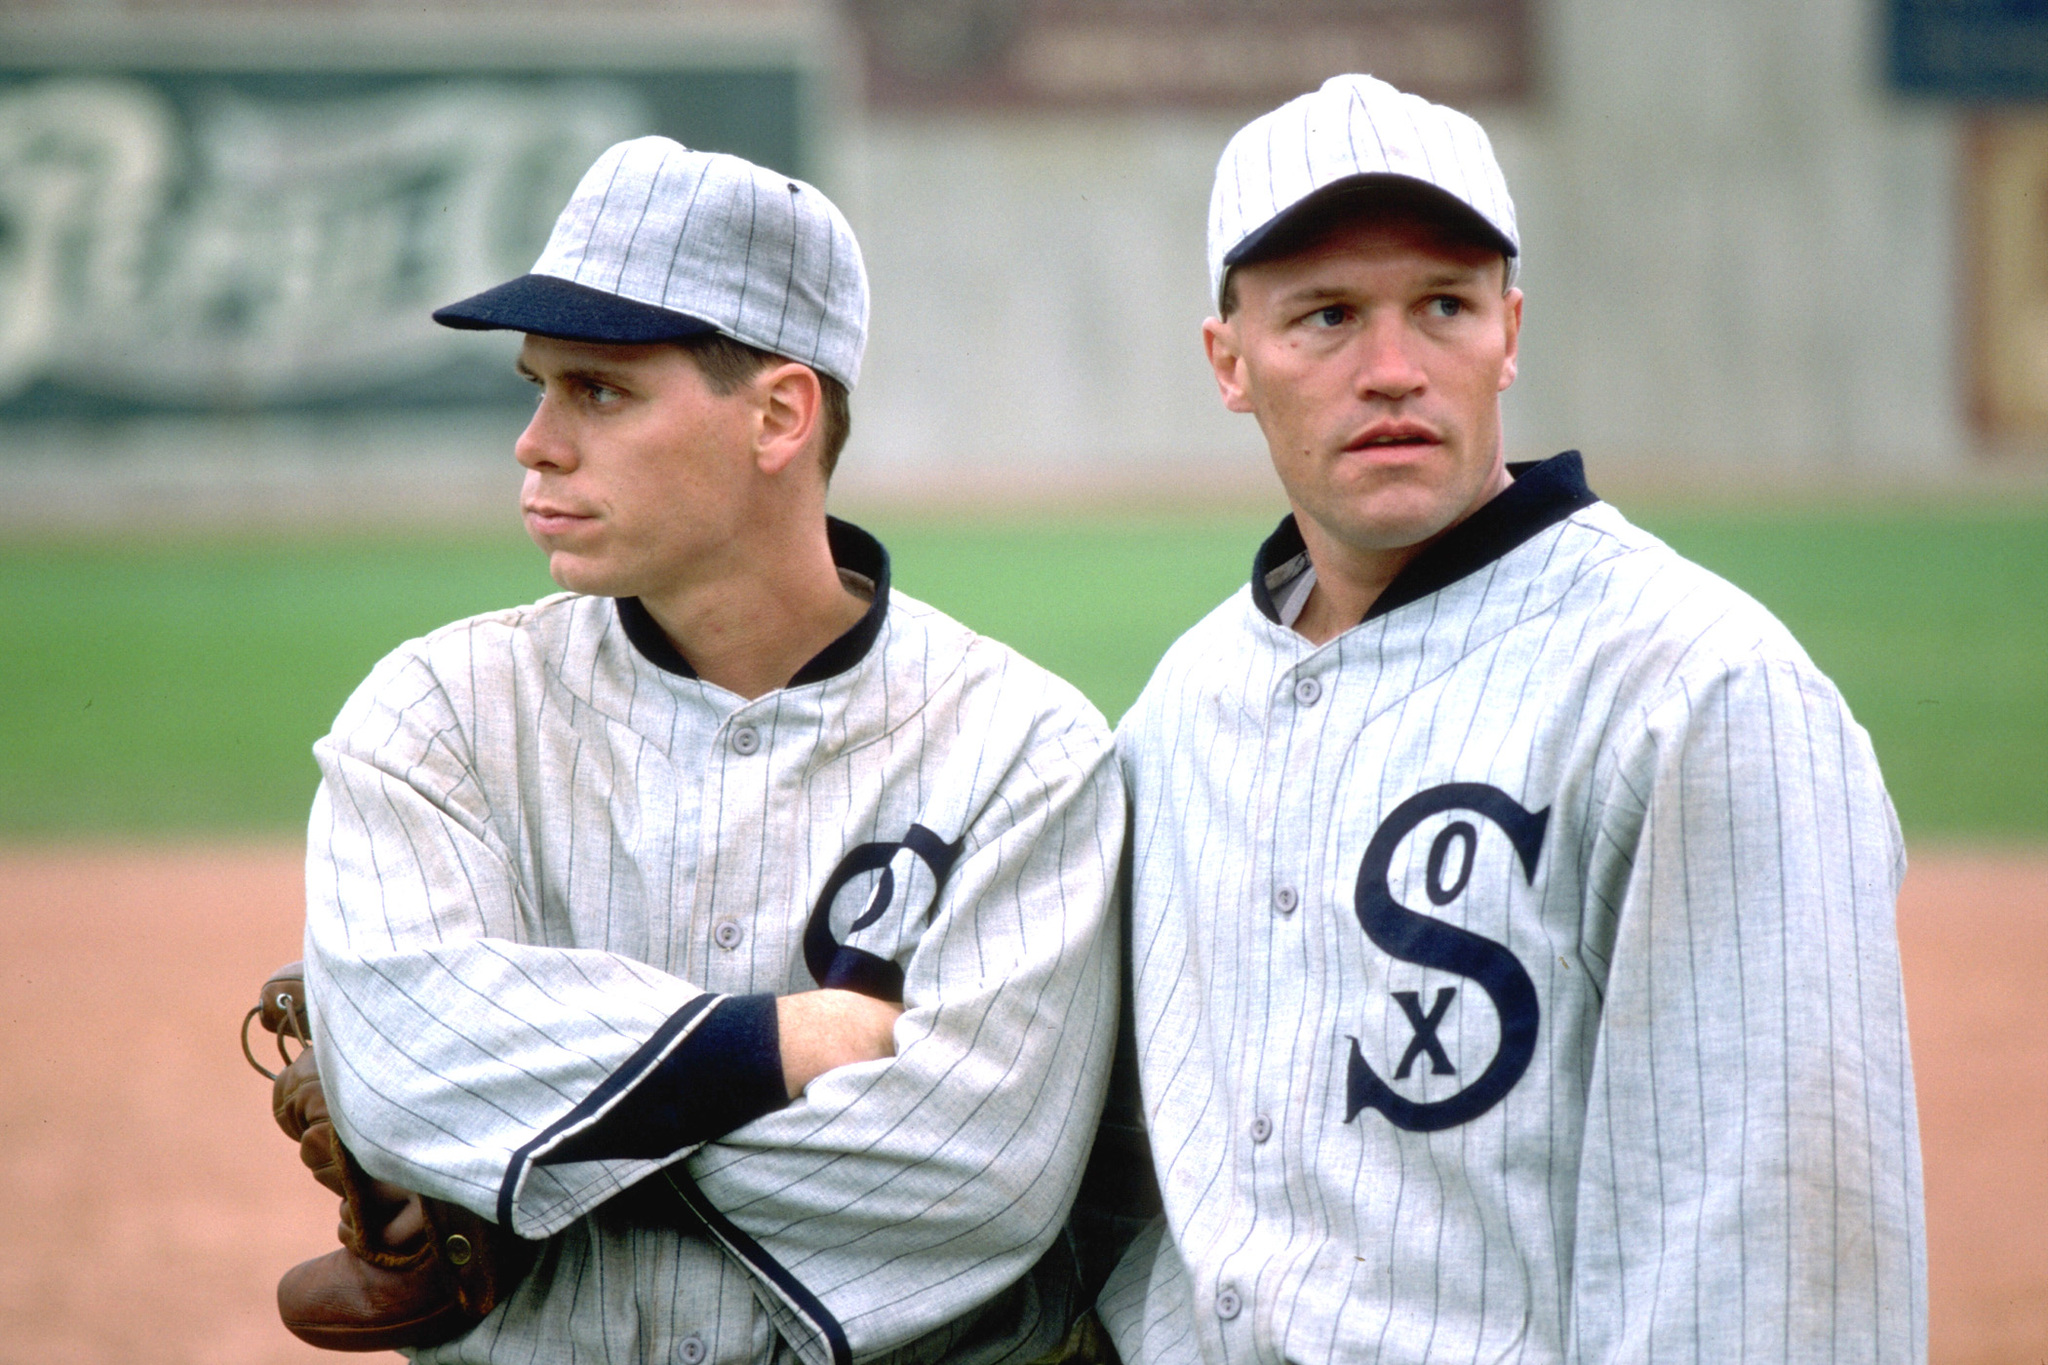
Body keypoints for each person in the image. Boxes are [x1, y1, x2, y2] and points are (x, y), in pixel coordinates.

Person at [1099, 75, 1925, 1363]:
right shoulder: (1180, 705)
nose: (1391, 369)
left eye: (1442, 304)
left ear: (1509, 331)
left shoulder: (1698, 689)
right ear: (1229, 363)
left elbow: (1773, 1264)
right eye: (1324, 316)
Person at [291, 136, 1123, 1364]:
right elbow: (402, 1071)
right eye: (536, 384)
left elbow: (978, 1177)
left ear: (778, 415)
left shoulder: (1022, 748)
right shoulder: (436, 714)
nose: (535, 441)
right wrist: (788, 1045)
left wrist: (522, 1156)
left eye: (599, 391)